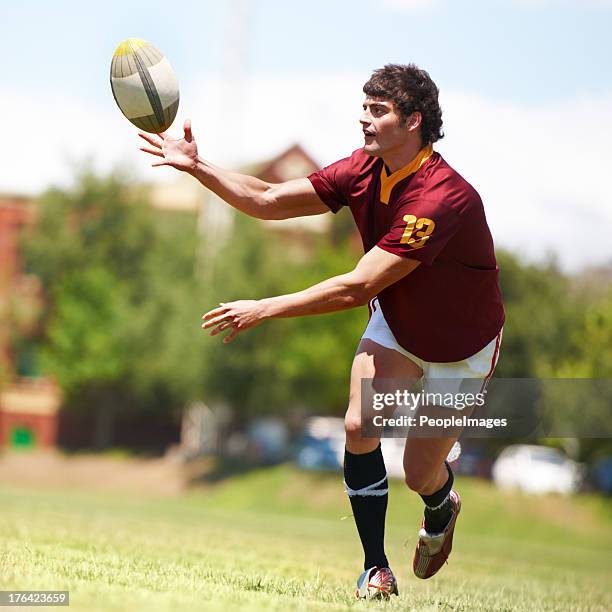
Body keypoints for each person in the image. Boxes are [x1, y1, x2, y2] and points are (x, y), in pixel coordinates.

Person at [138, 63, 505, 599]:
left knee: (420, 470)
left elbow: (358, 287)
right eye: (364, 107)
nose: (364, 119)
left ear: (413, 122)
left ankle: (440, 502)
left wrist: (264, 307)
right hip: (400, 327)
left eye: (377, 111)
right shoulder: (362, 170)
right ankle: (376, 569)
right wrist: (198, 167)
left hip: (462, 351)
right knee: (359, 425)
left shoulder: (441, 198)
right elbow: (264, 199)